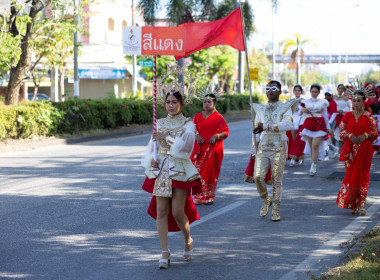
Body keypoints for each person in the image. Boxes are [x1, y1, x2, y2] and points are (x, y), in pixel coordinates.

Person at [141, 90, 201, 269]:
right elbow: (154, 146)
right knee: (161, 211)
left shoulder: (188, 123)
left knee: (176, 211)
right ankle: (164, 252)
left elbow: (186, 149)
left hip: (180, 169)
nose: (171, 105)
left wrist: (166, 137)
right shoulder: (158, 123)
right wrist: (152, 158)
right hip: (162, 169)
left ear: (181, 104)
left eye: (174, 102)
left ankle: (187, 238)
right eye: (168, 102)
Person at [252, 80, 296, 221]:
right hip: (263, 146)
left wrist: (266, 126)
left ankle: (276, 208)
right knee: (257, 177)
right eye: (268, 89)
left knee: (276, 178)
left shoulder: (285, 107)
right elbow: (256, 131)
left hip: (279, 145)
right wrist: (254, 147)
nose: (270, 91)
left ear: (279, 91)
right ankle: (266, 199)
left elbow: (288, 124)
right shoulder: (260, 109)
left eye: (274, 88)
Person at [336, 89, 378, 215]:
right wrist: (350, 136)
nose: (355, 103)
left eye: (358, 100)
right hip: (351, 151)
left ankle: (362, 204)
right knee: (351, 176)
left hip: (365, 150)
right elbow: (341, 131)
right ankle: (353, 203)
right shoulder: (348, 115)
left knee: (363, 176)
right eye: (353, 100)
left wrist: (365, 135)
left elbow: (375, 132)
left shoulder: (369, 116)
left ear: (364, 101)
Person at [191, 92, 229, 205]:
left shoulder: (218, 118)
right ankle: (199, 195)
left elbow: (226, 132)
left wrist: (216, 136)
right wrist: (196, 136)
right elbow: (191, 130)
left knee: (210, 173)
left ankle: (209, 196)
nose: (206, 104)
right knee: (199, 172)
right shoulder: (197, 117)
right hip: (200, 149)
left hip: (213, 150)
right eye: (205, 102)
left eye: (209, 102)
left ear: (214, 103)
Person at [299, 84, 333, 176]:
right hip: (309, 123)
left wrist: (328, 128)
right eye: (312, 91)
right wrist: (303, 110)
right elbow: (299, 114)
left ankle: (314, 165)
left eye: (316, 92)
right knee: (310, 145)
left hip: (319, 123)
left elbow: (325, 116)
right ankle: (313, 162)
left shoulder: (323, 102)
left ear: (318, 92)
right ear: (310, 92)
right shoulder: (305, 101)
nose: (314, 93)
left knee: (315, 145)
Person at [331, 84, 352, 154]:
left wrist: (342, 110)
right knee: (332, 134)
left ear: (343, 90)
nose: (340, 90)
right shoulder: (333, 97)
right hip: (334, 117)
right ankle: (333, 149)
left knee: (341, 133)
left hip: (342, 117)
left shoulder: (346, 98)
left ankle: (341, 149)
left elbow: (350, 108)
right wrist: (335, 110)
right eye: (339, 88)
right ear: (337, 88)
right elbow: (330, 106)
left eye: (342, 88)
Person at [289, 84, 306, 166]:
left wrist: (303, 109)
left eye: (299, 90)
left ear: (301, 91)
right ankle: (299, 157)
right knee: (294, 141)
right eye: (295, 90)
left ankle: (293, 158)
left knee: (300, 140)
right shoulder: (290, 101)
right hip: (293, 122)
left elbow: (306, 110)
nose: (297, 92)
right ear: (293, 91)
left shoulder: (304, 101)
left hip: (301, 122)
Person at [324, 88, 338, 158]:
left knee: (327, 137)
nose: (327, 96)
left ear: (331, 95)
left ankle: (328, 152)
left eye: (328, 94)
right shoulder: (324, 102)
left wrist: (329, 122)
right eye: (325, 94)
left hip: (330, 122)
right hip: (324, 122)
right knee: (325, 137)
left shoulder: (333, 102)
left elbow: (334, 113)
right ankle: (332, 149)